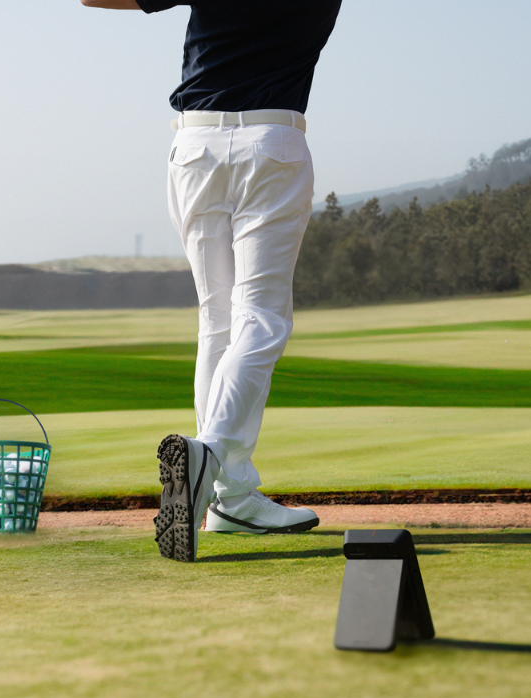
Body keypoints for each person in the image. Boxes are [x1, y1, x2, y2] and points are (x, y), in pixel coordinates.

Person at [80, 0, 343, 561]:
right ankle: (210, 456)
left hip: (194, 147)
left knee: (217, 322)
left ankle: (234, 497)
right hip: (272, 143)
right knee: (260, 320)